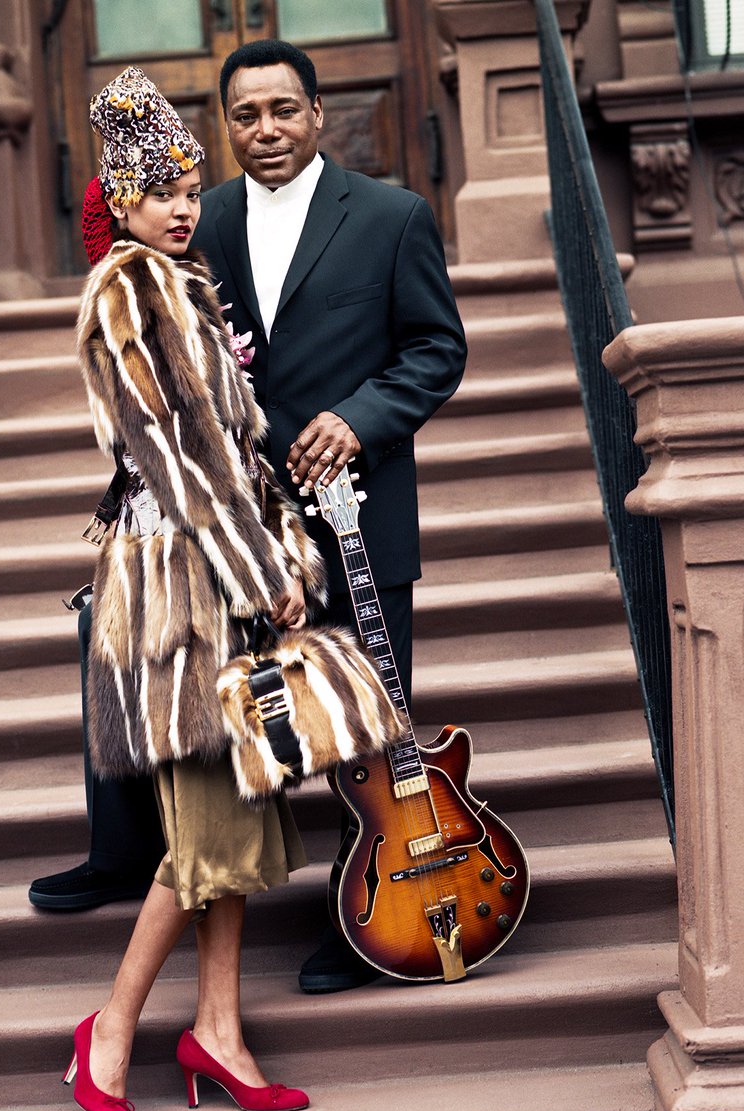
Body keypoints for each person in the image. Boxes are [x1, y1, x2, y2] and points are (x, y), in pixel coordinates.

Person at [30, 39, 467, 994]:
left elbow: (438, 350)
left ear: (317, 113)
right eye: (244, 115)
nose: (264, 129)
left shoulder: (393, 217)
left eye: (282, 109)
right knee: (203, 705)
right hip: (232, 524)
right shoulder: (189, 217)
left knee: (363, 722)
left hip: (355, 511)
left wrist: (359, 420)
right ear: (224, 127)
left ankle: (368, 912)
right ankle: (127, 855)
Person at [60, 65, 325, 1111]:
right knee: (205, 831)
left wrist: (284, 553)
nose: (183, 206)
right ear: (120, 202)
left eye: (188, 187)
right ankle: (112, 1028)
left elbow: (237, 450)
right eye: (162, 190)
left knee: (239, 812)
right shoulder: (133, 288)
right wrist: (272, 571)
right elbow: (185, 460)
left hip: (218, 577)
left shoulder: (183, 285)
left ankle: (218, 1029)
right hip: (182, 586)